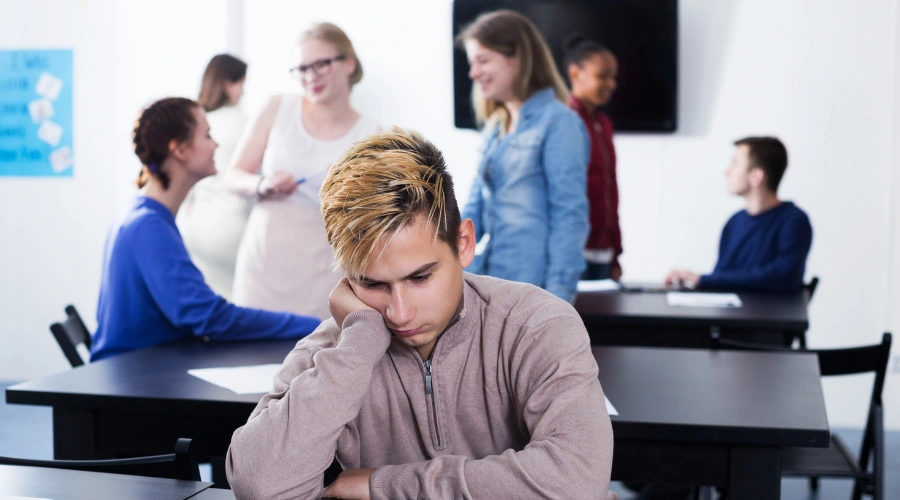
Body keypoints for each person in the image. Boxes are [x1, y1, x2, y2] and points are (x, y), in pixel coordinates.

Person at [226, 128, 616, 500]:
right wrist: (358, 345)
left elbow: (576, 483)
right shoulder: (335, 349)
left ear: (463, 243)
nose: (399, 313)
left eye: (420, 277)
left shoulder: (538, 325)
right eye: (372, 284)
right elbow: (260, 486)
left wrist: (387, 487)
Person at [91, 98, 321, 361]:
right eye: (207, 135)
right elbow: (207, 316)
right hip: (133, 382)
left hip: (145, 368)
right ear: (179, 150)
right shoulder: (148, 225)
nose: (217, 145)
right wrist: (311, 325)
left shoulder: (143, 214)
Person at [226, 23, 378, 319]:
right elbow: (233, 176)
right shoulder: (277, 107)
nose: (311, 77)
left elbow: (372, 221)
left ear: (349, 63)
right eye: (302, 69)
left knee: (314, 356)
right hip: (264, 261)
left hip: (325, 270)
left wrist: (346, 189)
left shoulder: (371, 135)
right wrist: (262, 184)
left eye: (320, 64)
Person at [458, 10, 590, 304]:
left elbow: (569, 217)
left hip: (534, 293)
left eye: (482, 60)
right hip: (491, 283)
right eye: (471, 63)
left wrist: (559, 302)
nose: (473, 73)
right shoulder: (496, 129)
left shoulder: (560, 123)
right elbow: (473, 210)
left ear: (516, 57)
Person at [665, 136, 813, 292]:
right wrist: (700, 282)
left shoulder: (793, 221)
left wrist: (701, 279)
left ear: (756, 176)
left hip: (768, 316)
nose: (727, 171)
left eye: (735, 163)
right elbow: (721, 277)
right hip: (730, 314)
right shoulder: (735, 222)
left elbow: (784, 276)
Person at [178, 54, 251, 299]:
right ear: (229, 84)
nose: (242, 92)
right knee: (237, 306)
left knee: (207, 303)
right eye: (241, 84)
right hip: (233, 230)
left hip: (197, 227)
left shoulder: (194, 123)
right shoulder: (246, 125)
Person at [564, 34, 623, 281]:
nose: (612, 84)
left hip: (603, 252)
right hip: (573, 253)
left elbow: (609, 190)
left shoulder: (604, 124)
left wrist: (616, 253)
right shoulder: (564, 121)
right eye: (603, 76)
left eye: (614, 77)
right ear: (575, 74)